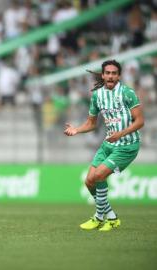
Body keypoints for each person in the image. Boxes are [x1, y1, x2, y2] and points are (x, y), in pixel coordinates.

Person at [64, 60, 144, 231]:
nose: (110, 76)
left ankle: (99, 217)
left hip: (127, 146)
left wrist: (121, 134)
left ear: (119, 76)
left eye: (114, 73)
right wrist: (76, 130)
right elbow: (92, 123)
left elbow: (140, 121)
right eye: (107, 73)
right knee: (89, 182)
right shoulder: (97, 95)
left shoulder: (127, 93)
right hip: (108, 144)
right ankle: (112, 217)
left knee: (99, 176)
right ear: (103, 75)